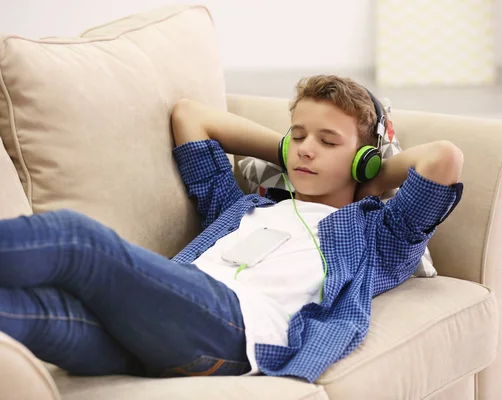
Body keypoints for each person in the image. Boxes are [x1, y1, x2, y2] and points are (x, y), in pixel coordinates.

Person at [0, 75, 463, 383]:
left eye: (327, 141)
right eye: (297, 135)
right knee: (27, 311)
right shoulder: (241, 207)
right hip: (164, 334)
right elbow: (190, 116)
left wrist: (369, 176)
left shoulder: (377, 236)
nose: (305, 150)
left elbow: (443, 159)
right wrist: (285, 149)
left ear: (364, 158)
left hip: (235, 328)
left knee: (77, 239)